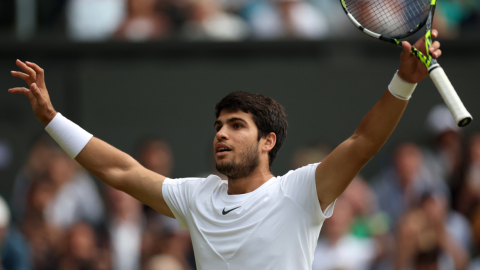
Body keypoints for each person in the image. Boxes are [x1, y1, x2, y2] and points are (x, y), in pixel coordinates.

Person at [8, 30, 443, 269]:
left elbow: (363, 142)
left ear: (268, 141)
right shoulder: (197, 197)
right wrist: (51, 118)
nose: (221, 134)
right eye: (219, 126)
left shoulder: (301, 192)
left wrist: (403, 81)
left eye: (237, 126)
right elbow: (120, 171)